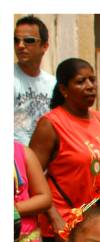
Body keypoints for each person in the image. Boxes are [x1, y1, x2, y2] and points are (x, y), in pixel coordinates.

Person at [30, 57, 100, 242]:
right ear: (63, 89)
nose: (90, 86)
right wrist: (55, 218)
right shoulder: (51, 124)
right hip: (64, 224)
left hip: (99, 220)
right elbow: (33, 173)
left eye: (92, 80)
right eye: (81, 81)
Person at [14, 14, 55, 146]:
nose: (20, 45)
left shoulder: (53, 84)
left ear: (44, 46)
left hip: (43, 161)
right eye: (16, 40)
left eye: (29, 40)